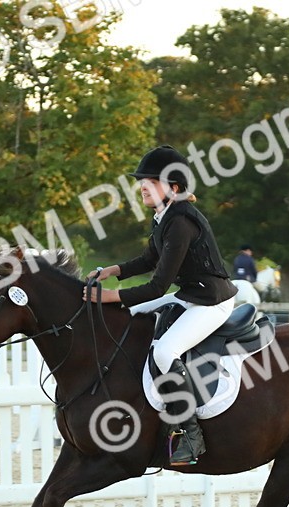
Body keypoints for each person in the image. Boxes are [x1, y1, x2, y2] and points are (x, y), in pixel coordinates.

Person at [84, 145, 237, 466]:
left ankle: (191, 433)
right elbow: (149, 259)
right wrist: (115, 270)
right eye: (142, 181)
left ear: (174, 188)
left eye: (151, 181)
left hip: (213, 302)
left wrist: (112, 295)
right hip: (192, 296)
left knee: (165, 352)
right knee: (128, 318)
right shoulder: (165, 217)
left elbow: (158, 286)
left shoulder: (181, 222)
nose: (142, 186)